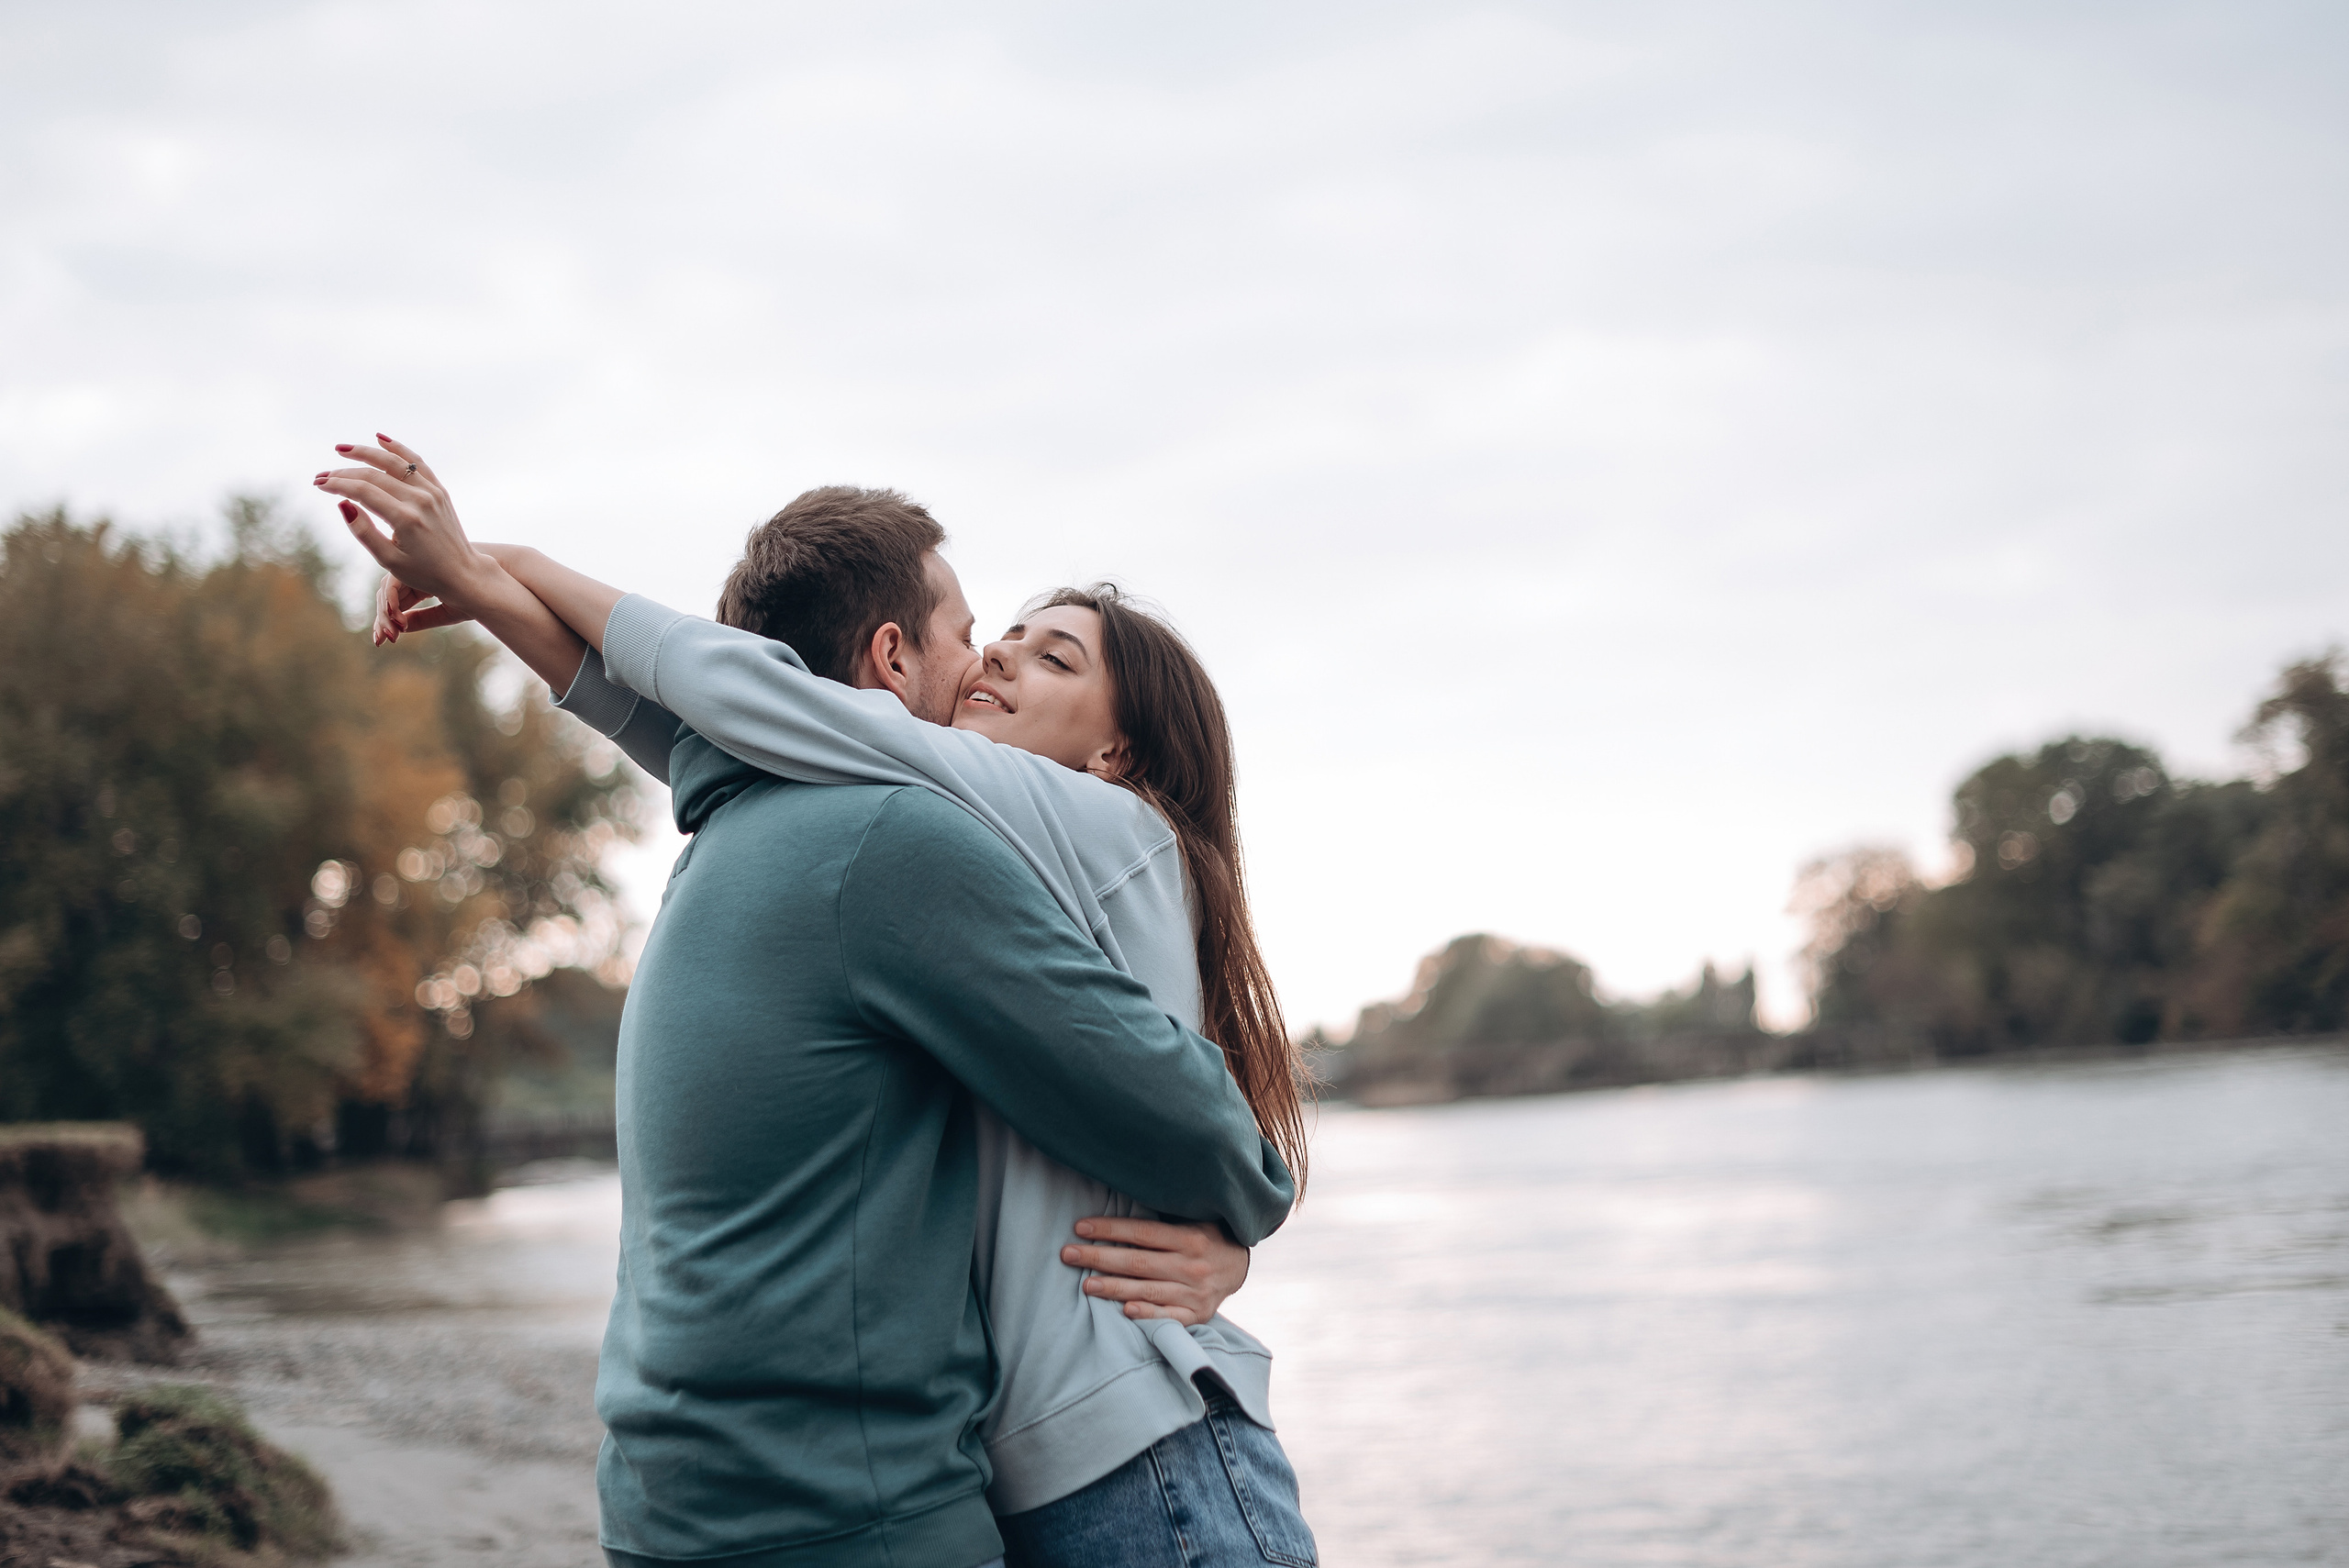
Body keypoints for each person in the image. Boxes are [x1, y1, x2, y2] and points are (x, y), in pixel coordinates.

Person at [318, 439, 1318, 1568]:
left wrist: (511, 571)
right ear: (890, 654)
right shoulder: (893, 835)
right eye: (983, 633)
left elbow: (730, 698)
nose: (989, 655)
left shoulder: (1086, 817)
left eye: (1047, 657)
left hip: (1142, 1449)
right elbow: (710, 727)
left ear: (1115, 747)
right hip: (1044, 1460)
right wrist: (498, 587)